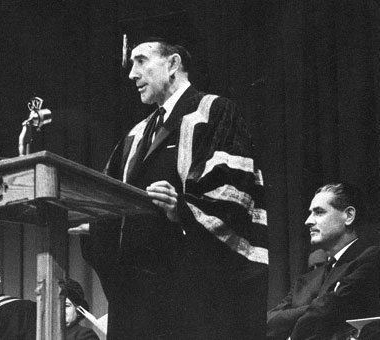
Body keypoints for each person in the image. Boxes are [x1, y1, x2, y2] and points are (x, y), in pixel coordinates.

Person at [69, 11, 268, 340]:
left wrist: (182, 210)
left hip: (190, 299)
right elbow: (111, 196)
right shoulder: (136, 135)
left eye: (141, 60)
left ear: (173, 63)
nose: (132, 74)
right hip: (137, 300)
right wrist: (95, 222)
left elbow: (232, 198)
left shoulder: (213, 112)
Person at [267, 183, 380, 340]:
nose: (308, 221)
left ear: (349, 216)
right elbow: (270, 321)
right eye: (310, 213)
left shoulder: (371, 258)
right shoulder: (305, 280)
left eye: (319, 212)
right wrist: (315, 306)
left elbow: (330, 307)